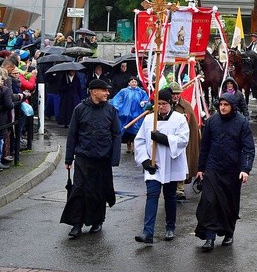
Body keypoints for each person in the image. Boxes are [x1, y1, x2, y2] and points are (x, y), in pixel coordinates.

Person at [60, 79, 122, 238]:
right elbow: (72, 134)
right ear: (94, 91)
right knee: (79, 190)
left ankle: (97, 221)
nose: (108, 93)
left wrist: (114, 159)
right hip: (83, 158)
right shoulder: (79, 109)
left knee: (98, 192)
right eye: (104, 90)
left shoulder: (111, 110)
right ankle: (76, 224)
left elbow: (116, 135)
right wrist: (68, 159)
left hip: (102, 159)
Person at [195, 92, 255, 251]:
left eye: (226, 105)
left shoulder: (241, 122)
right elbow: (205, 146)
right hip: (213, 168)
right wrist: (201, 168)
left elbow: (248, 148)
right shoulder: (212, 121)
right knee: (209, 201)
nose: (222, 107)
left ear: (232, 106)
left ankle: (229, 232)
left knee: (229, 204)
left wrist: (245, 169)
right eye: (220, 104)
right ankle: (209, 237)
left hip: (232, 170)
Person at [133, 88, 190, 244]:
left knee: (170, 196)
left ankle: (170, 227)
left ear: (170, 103)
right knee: (152, 195)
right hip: (154, 165)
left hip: (171, 163)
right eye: (158, 103)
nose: (161, 106)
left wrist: (164, 139)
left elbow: (183, 139)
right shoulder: (149, 119)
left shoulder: (179, 119)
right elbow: (140, 141)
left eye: (164, 103)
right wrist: (145, 161)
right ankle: (147, 232)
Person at [168, 81, 200, 201]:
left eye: (177, 93)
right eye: (173, 94)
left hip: (182, 142)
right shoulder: (163, 105)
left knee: (181, 164)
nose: (175, 96)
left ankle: (180, 189)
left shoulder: (186, 106)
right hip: (168, 141)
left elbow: (193, 125)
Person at [110, 76, 149, 153]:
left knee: (136, 131)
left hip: (138, 115)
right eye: (132, 81)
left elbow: (146, 100)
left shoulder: (141, 92)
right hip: (126, 115)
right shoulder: (124, 91)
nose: (134, 83)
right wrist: (118, 108)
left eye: (135, 82)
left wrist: (144, 103)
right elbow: (117, 100)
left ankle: (135, 146)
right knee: (126, 130)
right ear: (129, 83)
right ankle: (128, 145)